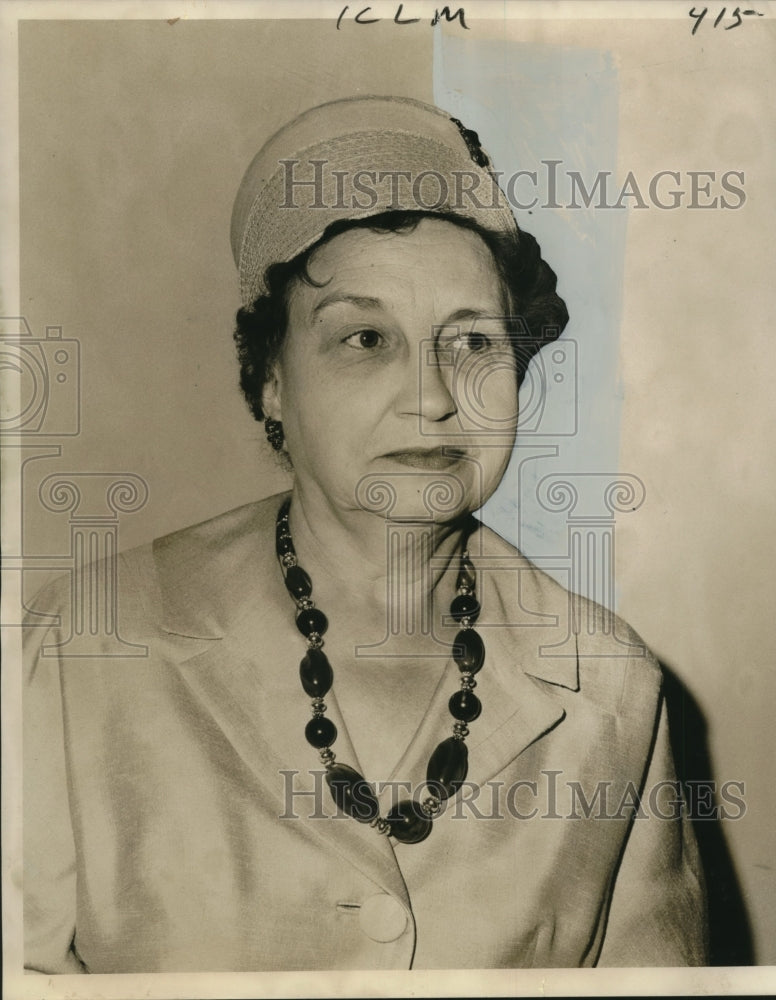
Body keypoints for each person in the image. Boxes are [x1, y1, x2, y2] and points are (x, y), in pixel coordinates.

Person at [23, 96, 707, 972]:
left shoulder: (610, 690)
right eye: (365, 338)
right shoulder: (78, 649)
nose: (430, 397)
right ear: (270, 382)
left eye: (471, 344)